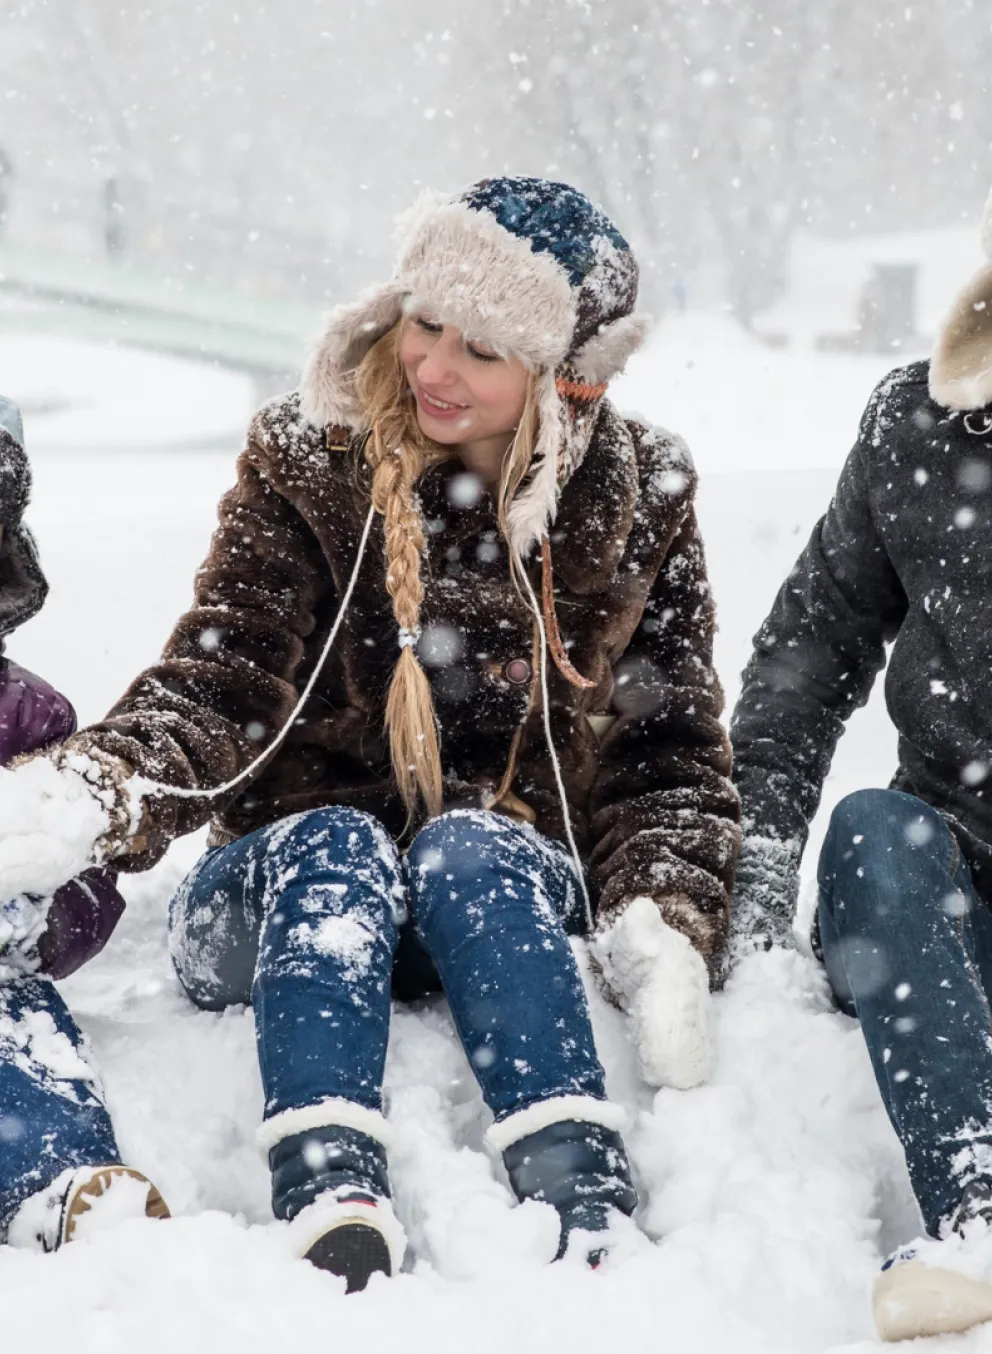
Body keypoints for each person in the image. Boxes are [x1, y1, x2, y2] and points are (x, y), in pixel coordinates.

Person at [0, 178, 739, 1290]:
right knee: (336, 843)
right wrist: (92, 792)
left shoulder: (642, 497)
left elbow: (667, 745)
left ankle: (577, 1184)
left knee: (474, 846)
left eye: (481, 349)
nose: (433, 365)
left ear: (562, 378)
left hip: (489, 904)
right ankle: (330, 1184)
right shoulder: (309, 458)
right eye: (423, 323)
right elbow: (221, 682)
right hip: (280, 897)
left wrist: (664, 913)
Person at [728, 190, 992, 1341]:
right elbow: (808, 647)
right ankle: (976, 1204)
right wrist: (751, 869)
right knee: (871, 832)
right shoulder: (918, 427)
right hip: (946, 886)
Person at [0, 397, 169, 1252]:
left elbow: (88, 885)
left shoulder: (29, 719)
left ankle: (56, 1179)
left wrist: (35, 918)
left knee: (19, 1018)